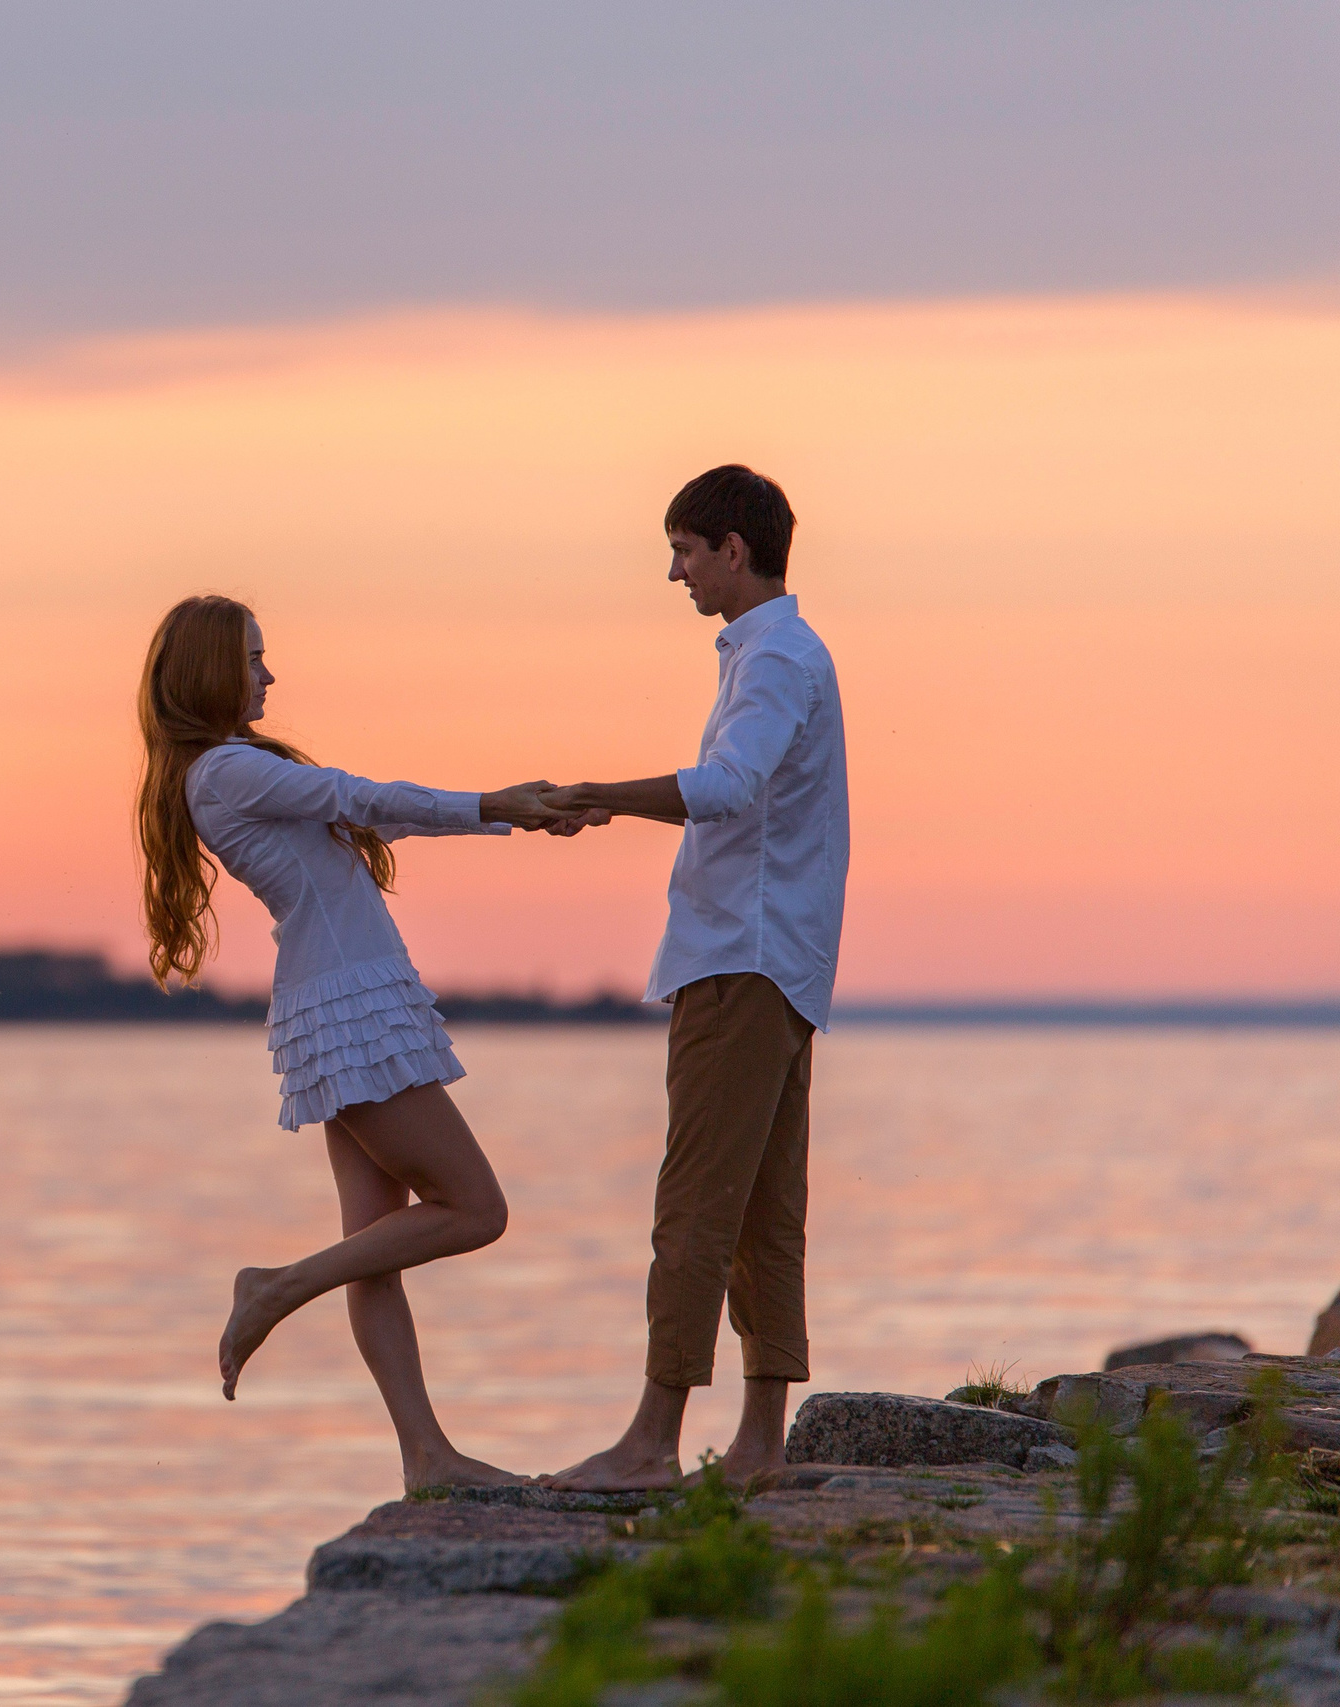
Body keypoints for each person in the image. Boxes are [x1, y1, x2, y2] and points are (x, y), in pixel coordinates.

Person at [135, 593, 604, 1491]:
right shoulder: (225, 771)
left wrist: (511, 814)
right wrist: (493, 800)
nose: (270, 673)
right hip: (351, 1006)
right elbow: (359, 793)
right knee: (476, 1208)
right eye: (255, 657)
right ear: (209, 672)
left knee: (379, 1244)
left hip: (335, 1002)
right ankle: (274, 1286)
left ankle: (425, 1456)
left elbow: (368, 815)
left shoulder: (227, 773)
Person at [537, 465, 849, 1491]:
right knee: (762, 1204)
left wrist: (599, 793)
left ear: (732, 548)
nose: (674, 572)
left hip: (740, 960)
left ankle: (650, 1443)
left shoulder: (771, 661)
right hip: (778, 961)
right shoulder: (784, 653)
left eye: (683, 550)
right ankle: (761, 1441)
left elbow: (725, 789)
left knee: (697, 1203)